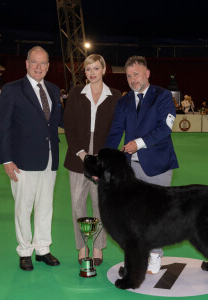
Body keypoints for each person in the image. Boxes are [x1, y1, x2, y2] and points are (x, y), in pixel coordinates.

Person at [105, 55, 179, 274]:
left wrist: (138, 143)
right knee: (132, 217)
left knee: (155, 215)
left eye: (136, 74)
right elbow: (116, 131)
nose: (132, 79)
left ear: (147, 74)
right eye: (128, 76)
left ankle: (155, 255)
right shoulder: (124, 101)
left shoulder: (163, 96)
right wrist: (105, 159)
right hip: (130, 170)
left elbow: (165, 129)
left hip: (158, 165)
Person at [0, 46, 62, 271]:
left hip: (50, 159)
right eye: (34, 62)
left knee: (45, 207)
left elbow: (55, 124)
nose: (39, 67)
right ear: (26, 64)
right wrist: (6, 160)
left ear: (48, 66)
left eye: (43, 63)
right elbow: (3, 128)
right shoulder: (12, 89)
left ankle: (43, 248)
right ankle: (24, 251)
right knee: (23, 208)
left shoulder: (53, 89)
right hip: (22, 161)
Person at [63, 54, 122, 266]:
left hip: (103, 159)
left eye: (96, 68)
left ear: (104, 69)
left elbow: (117, 129)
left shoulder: (115, 96)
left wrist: (103, 155)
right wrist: (81, 153)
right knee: (77, 205)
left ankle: (98, 247)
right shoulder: (75, 93)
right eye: (88, 69)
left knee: (101, 206)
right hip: (77, 157)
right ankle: (82, 247)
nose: (92, 73)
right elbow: (68, 125)